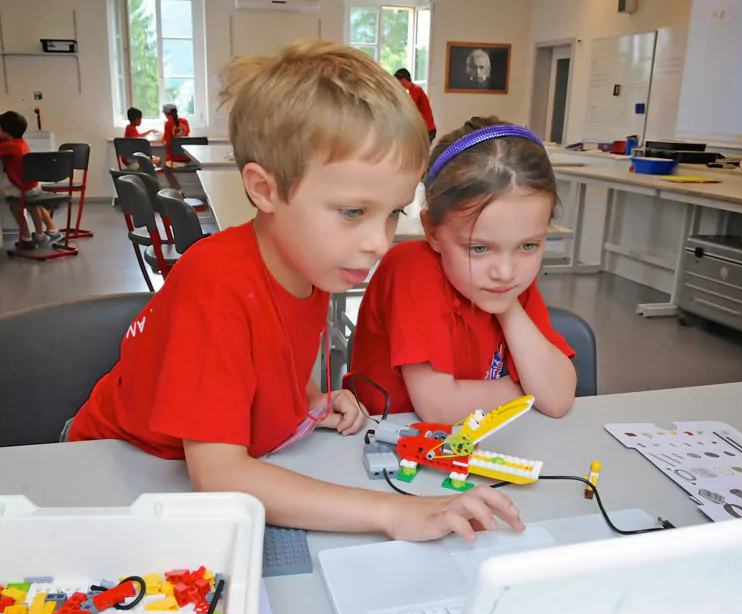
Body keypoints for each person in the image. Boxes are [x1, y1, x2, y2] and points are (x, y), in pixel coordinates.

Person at [67, 41, 523, 544]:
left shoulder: (314, 258)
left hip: (183, 465)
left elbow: (267, 352)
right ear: (265, 190)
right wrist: (395, 513)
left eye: (393, 212)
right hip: (111, 471)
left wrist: (305, 399)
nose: (378, 242)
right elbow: (220, 476)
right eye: (353, 212)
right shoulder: (216, 285)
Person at [345, 116, 577, 423]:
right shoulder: (411, 269)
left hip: (464, 447)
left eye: (528, 246)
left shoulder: (507, 286)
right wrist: (526, 390)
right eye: (479, 248)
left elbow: (558, 398)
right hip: (387, 448)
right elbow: (440, 409)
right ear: (432, 231)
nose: (506, 272)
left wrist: (507, 309)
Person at [0, 110, 62, 250]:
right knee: (34, 205)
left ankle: (28, 237)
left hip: (23, 188)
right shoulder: (20, 143)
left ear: (4, 130)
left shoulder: (10, 146)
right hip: (33, 185)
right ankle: (41, 234)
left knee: (14, 204)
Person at [394, 68, 436, 143]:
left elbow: (408, 107)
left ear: (403, 80)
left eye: (397, 82)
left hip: (426, 131)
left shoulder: (416, 90)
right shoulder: (412, 90)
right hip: (424, 130)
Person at [162, 103, 191, 168]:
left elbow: (168, 143)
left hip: (173, 158)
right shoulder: (185, 121)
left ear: (165, 113)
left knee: (165, 169)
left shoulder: (168, 123)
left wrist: (164, 142)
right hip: (186, 156)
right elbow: (186, 137)